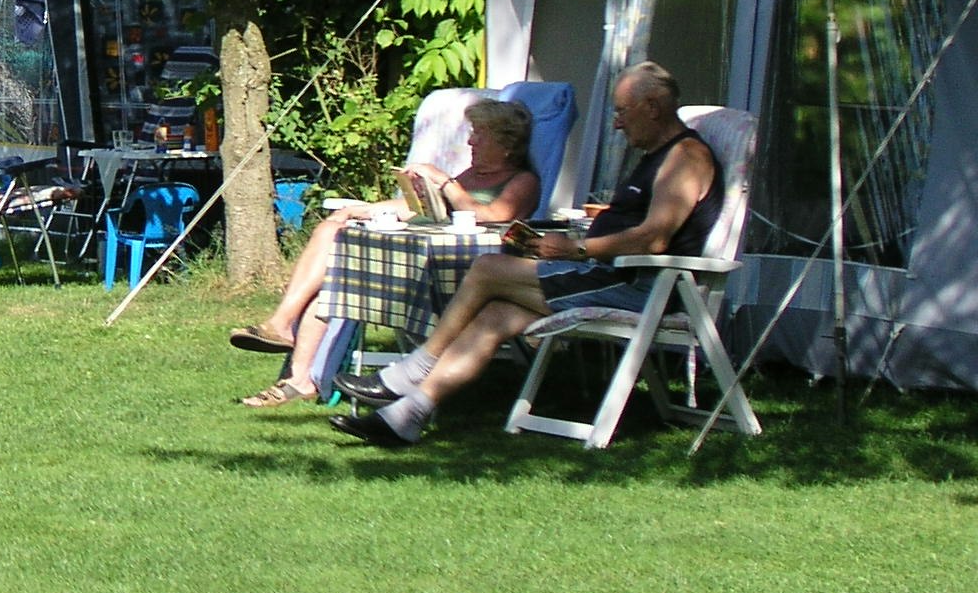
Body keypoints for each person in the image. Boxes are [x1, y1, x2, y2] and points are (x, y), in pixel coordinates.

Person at [330, 61, 719, 446]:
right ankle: (407, 416)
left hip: (642, 288)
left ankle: (413, 369)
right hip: (616, 277)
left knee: (487, 269)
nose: (617, 123)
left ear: (652, 107)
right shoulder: (659, 157)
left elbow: (653, 238)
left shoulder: (685, 158)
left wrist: (578, 249)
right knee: (495, 315)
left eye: (622, 111)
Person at [228, 98, 540, 408]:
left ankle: (287, 335)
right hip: (416, 265)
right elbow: (417, 210)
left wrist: (443, 181)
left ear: (507, 143)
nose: (471, 140)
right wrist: (358, 210)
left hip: (459, 278)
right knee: (331, 243)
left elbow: (491, 214)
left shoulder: (523, 181)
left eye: (479, 133)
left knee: (336, 274)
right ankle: (298, 370)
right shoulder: (471, 176)